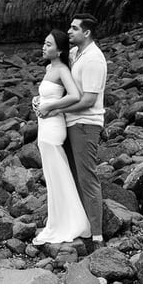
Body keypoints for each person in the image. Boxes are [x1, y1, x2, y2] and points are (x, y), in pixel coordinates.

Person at [46, 13, 107, 251]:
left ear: (87, 33)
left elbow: (89, 100)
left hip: (85, 124)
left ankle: (97, 237)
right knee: (71, 175)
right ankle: (80, 225)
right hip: (71, 123)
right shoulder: (74, 54)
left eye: (74, 28)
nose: (69, 31)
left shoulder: (94, 59)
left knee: (86, 178)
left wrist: (55, 107)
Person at [31, 29, 91, 245]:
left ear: (59, 50)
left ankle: (70, 223)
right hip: (44, 125)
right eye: (44, 43)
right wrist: (40, 101)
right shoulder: (49, 68)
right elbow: (50, 95)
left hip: (54, 127)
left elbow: (75, 95)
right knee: (51, 176)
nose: (44, 47)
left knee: (58, 174)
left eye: (48, 44)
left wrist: (53, 106)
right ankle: (57, 220)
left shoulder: (62, 70)